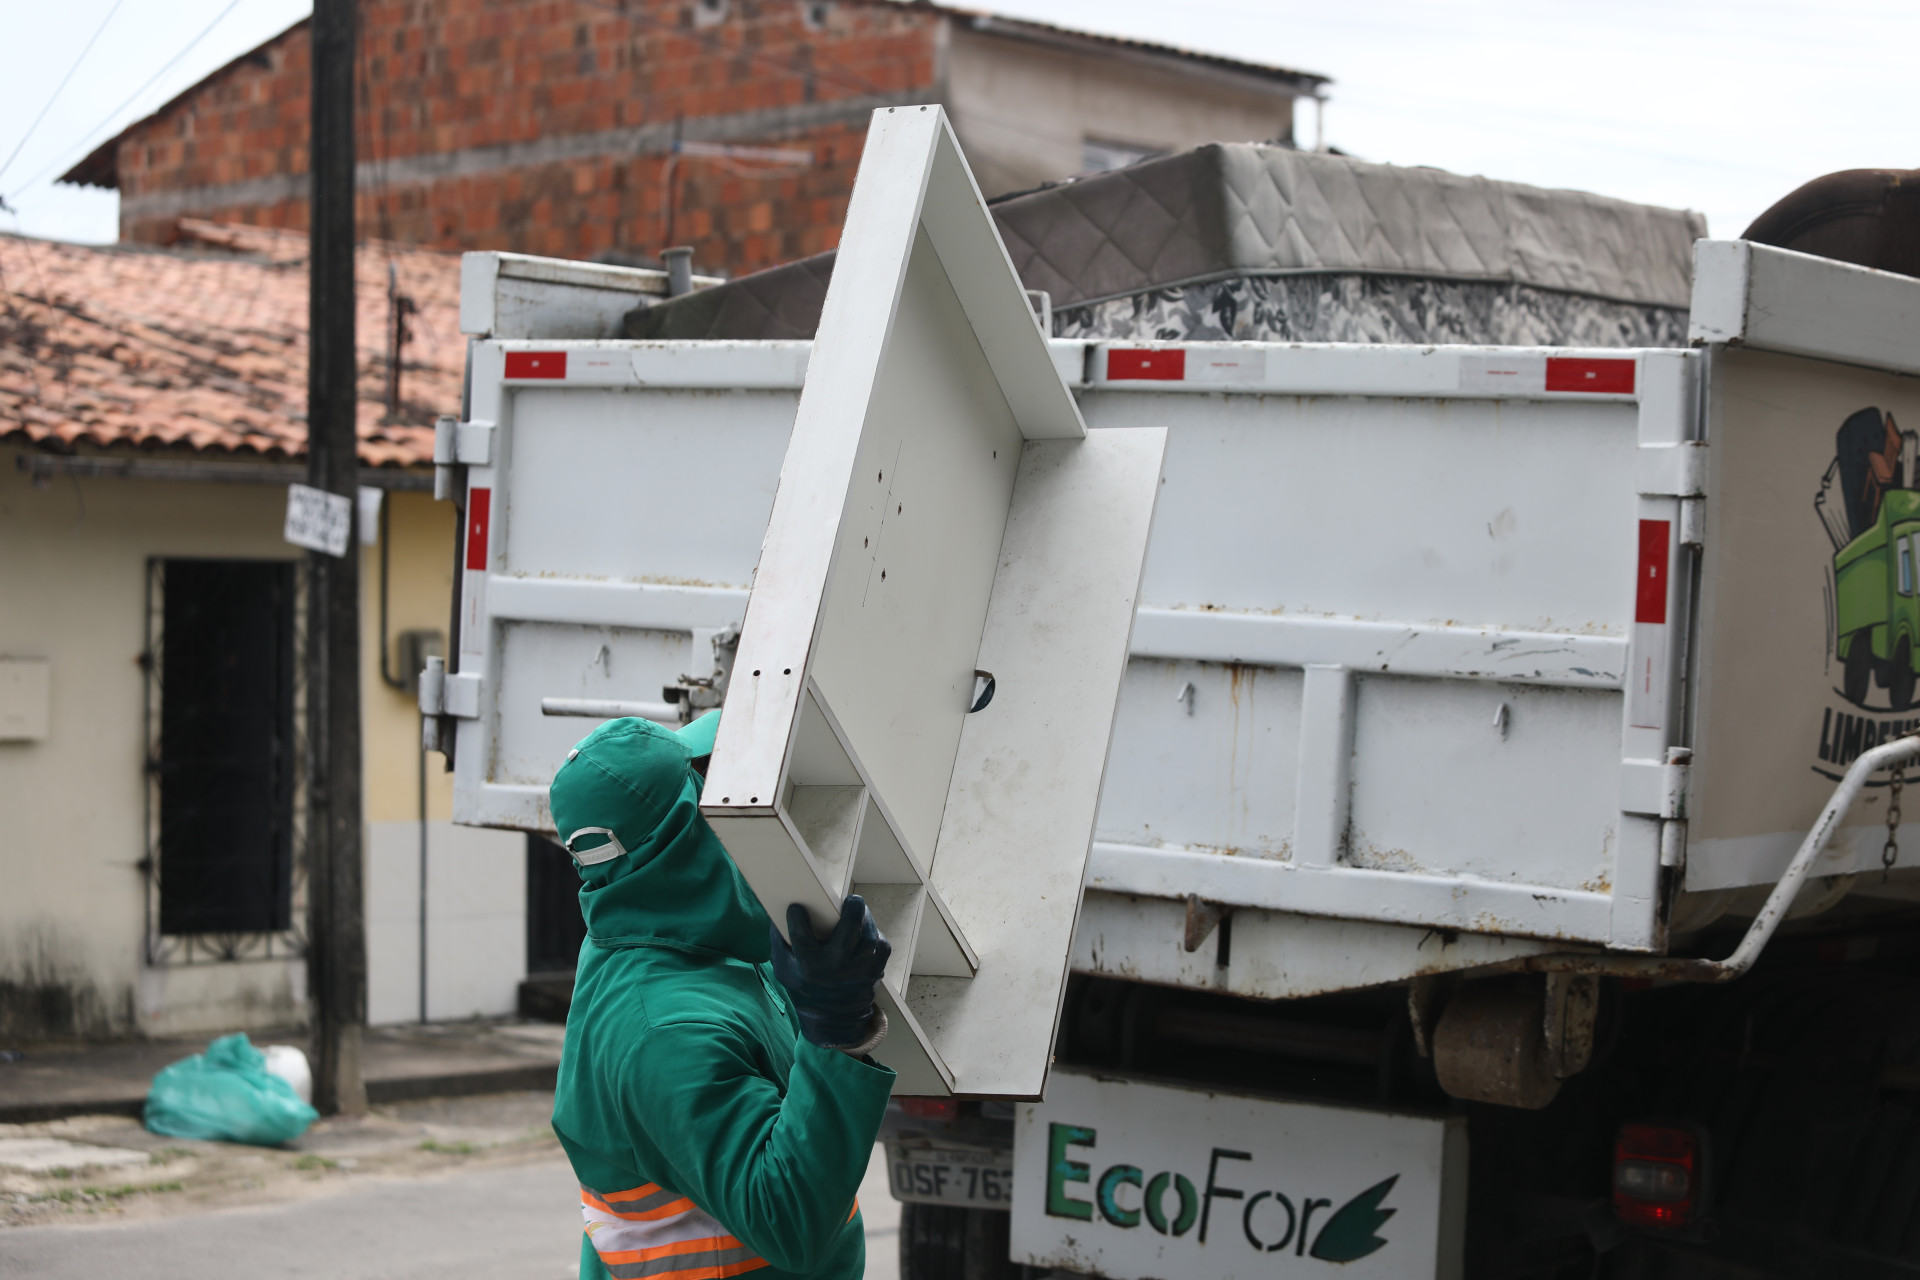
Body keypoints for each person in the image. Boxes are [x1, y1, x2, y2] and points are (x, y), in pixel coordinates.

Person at [548, 710, 896, 1280]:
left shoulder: (656, 941)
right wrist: (832, 1034)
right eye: (709, 784)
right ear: (685, 833)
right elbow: (787, 1221)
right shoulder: (667, 1031)